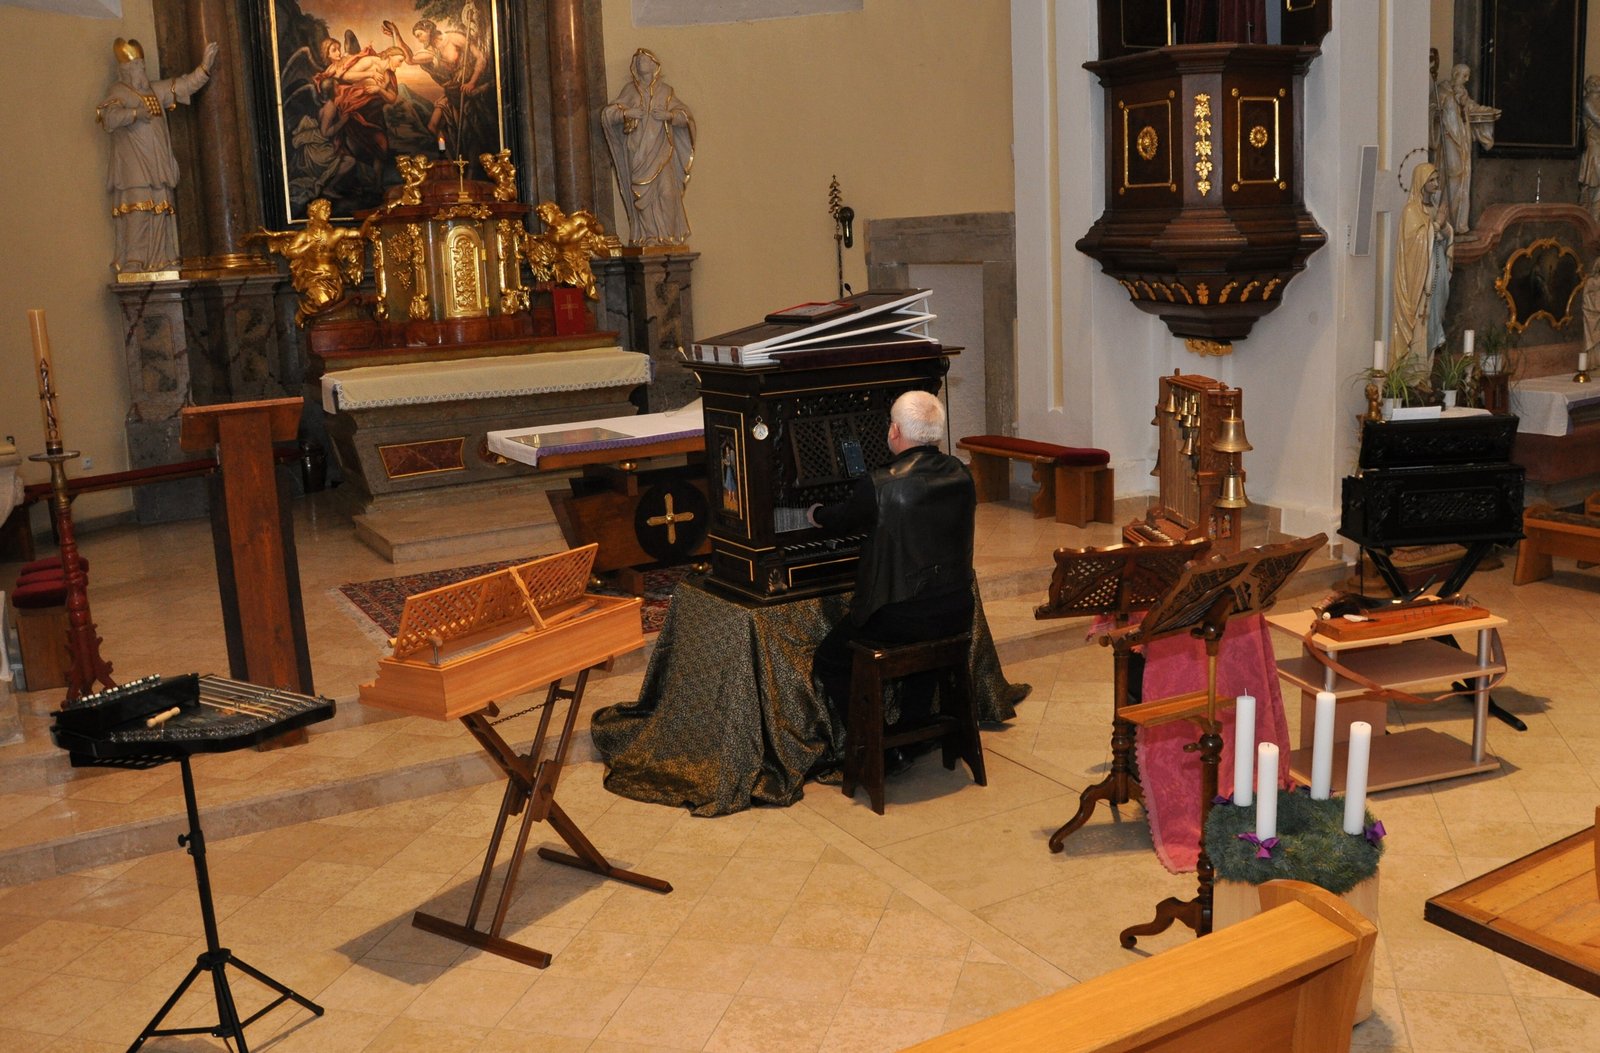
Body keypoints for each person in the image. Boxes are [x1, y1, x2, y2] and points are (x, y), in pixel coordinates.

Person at [809, 390, 976, 773]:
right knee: (925, 656)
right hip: (956, 610)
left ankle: (877, 746)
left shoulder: (879, 484)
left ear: (895, 430)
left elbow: (842, 519)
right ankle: (911, 739)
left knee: (830, 659)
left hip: (900, 617)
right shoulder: (962, 474)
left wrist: (816, 514)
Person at [96, 38, 219, 274]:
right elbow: (108, 118)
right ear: (125, 70)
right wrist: (135, 113)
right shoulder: (118, 91)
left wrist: (204, 67)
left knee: (161, 209)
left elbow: (183, 85)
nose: (141, 70)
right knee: (138, 210)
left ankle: (162, 259)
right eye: (136, 66)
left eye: (142, 65)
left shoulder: (155, 90)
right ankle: (134, 260)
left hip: (158, 163)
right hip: (133, 167)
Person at [602, 48, 696, 247]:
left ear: (654, 65)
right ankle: (650, 236)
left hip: (662, 151)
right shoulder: (630, 90)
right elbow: (609, 114)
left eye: (644, 60)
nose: (640, 63)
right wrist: (627, 113)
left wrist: (669, 116)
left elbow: (685, 116)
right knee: (642, 194)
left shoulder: (666, 91)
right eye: (638, 61)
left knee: (668, 193)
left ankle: (667, 236)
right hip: (638, 152)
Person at [247, 199, 366, 326]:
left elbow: (359, 234)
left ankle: (325, 326)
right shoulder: (305, 235)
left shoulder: (336, 233)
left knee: (337, 300)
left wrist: (368, 221)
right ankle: (303, 312)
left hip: (334, 275)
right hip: (314, 276)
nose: (328, 212)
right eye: (324, 209)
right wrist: (309, 245)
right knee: (323, 301)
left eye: (329, 209)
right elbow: (290, 252)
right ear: (314, 213)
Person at [1390, 162, 1453, 364]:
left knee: (1434, 320)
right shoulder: (1411, 211)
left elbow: (1444, 234)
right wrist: (1437, 225)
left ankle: (1426, 372)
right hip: (1420, 279)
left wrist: (1444, 228)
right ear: (1421, 182)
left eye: (1437, 179)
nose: (1436, 184)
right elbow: (1413, 243)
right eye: (1431, 180)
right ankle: (1415, 375)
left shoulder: (1434, 208)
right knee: (1421, 323)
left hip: (1437, 273)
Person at [1435, 63, 1499, 234]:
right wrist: (1439, 110)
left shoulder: (1463, 93)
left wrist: (1488, 112)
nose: (1467, 79)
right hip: (1449, 139)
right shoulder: (1442, 91)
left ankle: (1458, 222)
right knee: (1453, 174)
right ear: (1456, 74)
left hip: (1462, 140)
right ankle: (1444, 218)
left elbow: (1472, 108)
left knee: (1463, 176)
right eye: (1464, 76)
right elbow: (1434, 112)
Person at [1580, 76, 1600, 221]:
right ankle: (1592, 221)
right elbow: (1598, 119)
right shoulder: (1588, 101)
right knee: (1594, 182)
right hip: (1594, 147)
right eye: (1596, 82)